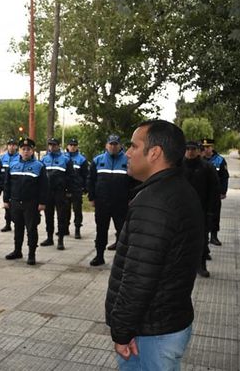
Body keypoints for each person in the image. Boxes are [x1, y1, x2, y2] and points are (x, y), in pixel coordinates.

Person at [106, 119, 203, 370]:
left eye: (134, 146)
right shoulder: (177, 188)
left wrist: (122, 331)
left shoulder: (155, 202)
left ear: (155, 153)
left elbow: (139, 277)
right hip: (165, 322)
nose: (127, 152)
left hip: (150, 333)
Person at [88, 134, 132, 266]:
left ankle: (123, 259)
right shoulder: (97, 160)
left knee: (123, 231)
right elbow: (91, 180)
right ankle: (99, 256)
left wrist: (132, 198)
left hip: (121, 203)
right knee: (101, 230)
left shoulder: (128, 160)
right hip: (102, 203)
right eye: (111, 144)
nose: (113, 146)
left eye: (115, 144)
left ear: (120, 145)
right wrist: (91, 197)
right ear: (106, 145)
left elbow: (134, 182)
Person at [3, 137, 47, 265]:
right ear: (19, 150)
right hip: (16, 202)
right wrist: (6, 199)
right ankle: (17, 251)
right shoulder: (13, 165)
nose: (26, 151)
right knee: (18, 228)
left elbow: (44, 187)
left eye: (28, 149)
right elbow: (7, 184)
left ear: (33, 151)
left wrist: (42, 203)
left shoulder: (39, 166)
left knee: (31, 229)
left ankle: (31, 254)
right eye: (23, 149)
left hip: (31, 203)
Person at [182, 140, 220, 278]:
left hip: (201, 210)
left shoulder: (206, 167)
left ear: (198, 151)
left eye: (193, 149)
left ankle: (201, 264)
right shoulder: (178, 166)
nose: (190, 151)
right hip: (182, 210)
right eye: (187, 149)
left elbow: (214, 191)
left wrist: (211, 212)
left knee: (201, 239)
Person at [39, 137, 74, 250]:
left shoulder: (66, 159)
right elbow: (41, 177)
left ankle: (60, 240)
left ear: (58, 146)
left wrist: (69, 191)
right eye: (50, 145)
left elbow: (71, 177)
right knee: (48, 216)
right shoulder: (44, 159)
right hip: (48, 192)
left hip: (60, 192)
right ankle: (49, 238)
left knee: (61, 216)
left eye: (54, 145)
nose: (51, 147)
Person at [201, 138, 229, 246]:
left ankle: (214, 236)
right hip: (202, 192)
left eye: (208, 147)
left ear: (212, 147)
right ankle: (203, 237)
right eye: (204, 147)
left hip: (214, 193)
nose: (206, 149)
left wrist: (223, 191)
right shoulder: (200, 159)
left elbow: (224, 177)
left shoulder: (220, 160)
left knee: (215, 215)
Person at [64, 137, 88, 239]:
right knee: (65, 210)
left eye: (74, 145)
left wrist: (85, 188)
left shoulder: (81, 159)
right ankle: (65, 228)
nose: (72, 147)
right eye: (71, 145)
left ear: (77, 146)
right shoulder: (63, 158)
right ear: (67, 146)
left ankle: (77, 229)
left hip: (77, 188)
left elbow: (85, 175)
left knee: (77, 210)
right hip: (65, 188)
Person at [0, 138, 19, 232]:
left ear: (16, 146)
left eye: (13, 145)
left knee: (15, 206)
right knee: (7, 205)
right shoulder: (2, 158)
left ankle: (17, 223)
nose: (11, 147)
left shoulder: (19, 157)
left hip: (16, 186)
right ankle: (8, 224)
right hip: (5, 186)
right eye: (10, 145)